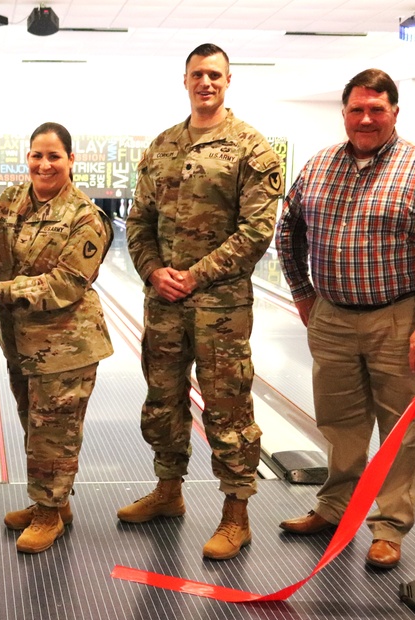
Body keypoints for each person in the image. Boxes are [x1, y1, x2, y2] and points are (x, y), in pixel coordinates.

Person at [275, 69, 415, 569]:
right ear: (344, 113)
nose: (366, 118)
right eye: (357, 109)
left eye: (376, 109)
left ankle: (389, 527)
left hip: (399, 318)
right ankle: (335, 506)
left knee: (401, 428)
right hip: (333, 316)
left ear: (394, 113)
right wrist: (302, 295)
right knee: (339, 422)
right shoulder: (318, 167)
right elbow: (287, 233)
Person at [121, 43, 284, 561]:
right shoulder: (163, 146)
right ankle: (169, 493)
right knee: (162, 399)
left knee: (228, 406)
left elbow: (257, 230)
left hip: (221, 306)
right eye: (197, 75)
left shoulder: (251, 149)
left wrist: (193, 275)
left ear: (229, 80)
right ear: (185, 80)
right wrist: (152, 270)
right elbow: (138, 221)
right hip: (164, 301)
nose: (206, 83)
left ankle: (236, 517)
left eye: (215, 75)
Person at [0, 122, 114, 554]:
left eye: (54, 156)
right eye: (37, 155)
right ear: (27, 157)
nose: (44, 164)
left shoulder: (85, 217)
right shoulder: (9, 201)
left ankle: (47, 514)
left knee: (53, 432)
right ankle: (54, 503)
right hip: (20, 342)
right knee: (34, 425)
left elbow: (66, 283)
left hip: (67, 345)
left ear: (71, 160)